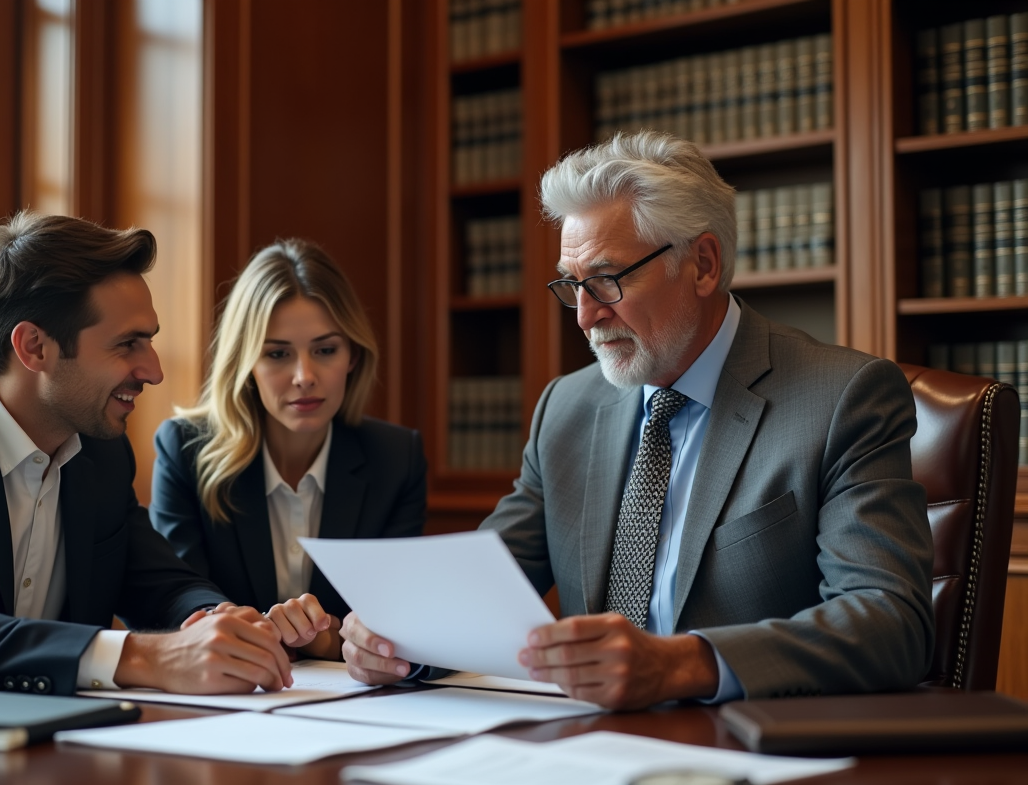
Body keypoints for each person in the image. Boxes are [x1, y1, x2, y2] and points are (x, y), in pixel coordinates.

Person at [341, 130, 935, 707]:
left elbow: (890, 621)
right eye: (572, 286)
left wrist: (681, 664)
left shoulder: (842, 399)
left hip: (748, 752)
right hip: (588, 748)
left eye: (605, 280)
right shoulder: (566, 410)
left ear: (702, 264)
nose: (584, 317)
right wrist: (399, 640)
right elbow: (481, 587)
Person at [0, 212, 292, 695]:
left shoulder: (100, 453)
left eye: (149, 340)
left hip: (50, 745)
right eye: (127, 344)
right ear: (34, 347)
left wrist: (220, 622)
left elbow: (163, 584)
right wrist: (139, 656)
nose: (152, 371)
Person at [150, 239, 426, 661]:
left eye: (325, 350)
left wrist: (317, 639)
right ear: (245, 362)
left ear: (352, 355)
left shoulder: (396, 459)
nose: (304, 376)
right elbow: (174, 604)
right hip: (225, 694)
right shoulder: (185, 450)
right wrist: (313, 637)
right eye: (277, 353)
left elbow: (396, 624)